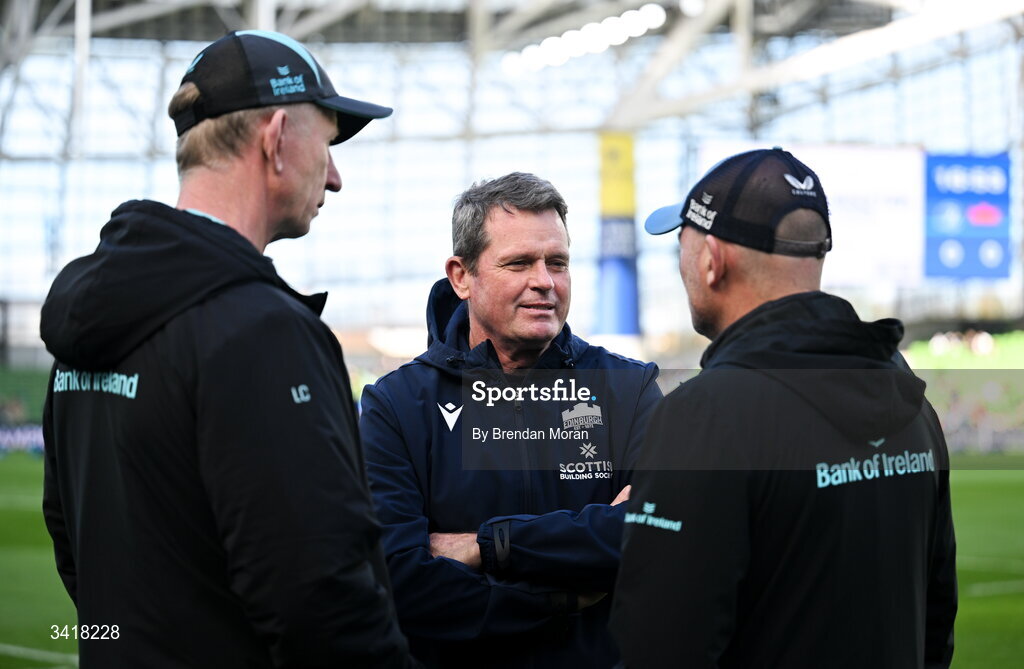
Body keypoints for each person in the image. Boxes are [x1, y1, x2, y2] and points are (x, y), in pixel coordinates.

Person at [39, 30, 417, 668]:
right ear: (274, 140)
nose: (335, 176)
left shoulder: (89, 319)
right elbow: (318, 598)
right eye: (325, 145)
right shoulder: (258, 329)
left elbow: (74, 547)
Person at [610, 148, 958, 668]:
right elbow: (936, 620)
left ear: (712, 261)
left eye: (680, 246)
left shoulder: (702, 416)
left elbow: (659, 645)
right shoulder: (907, 395)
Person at [359, 172, 663, 667]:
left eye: (557, 263)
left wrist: (491, 546)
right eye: (519, 263)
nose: (544, 281)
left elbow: (653, 535)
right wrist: (557, 600)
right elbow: (396, 580)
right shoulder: (397, 406)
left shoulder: (628, 391)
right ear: (462, 276)